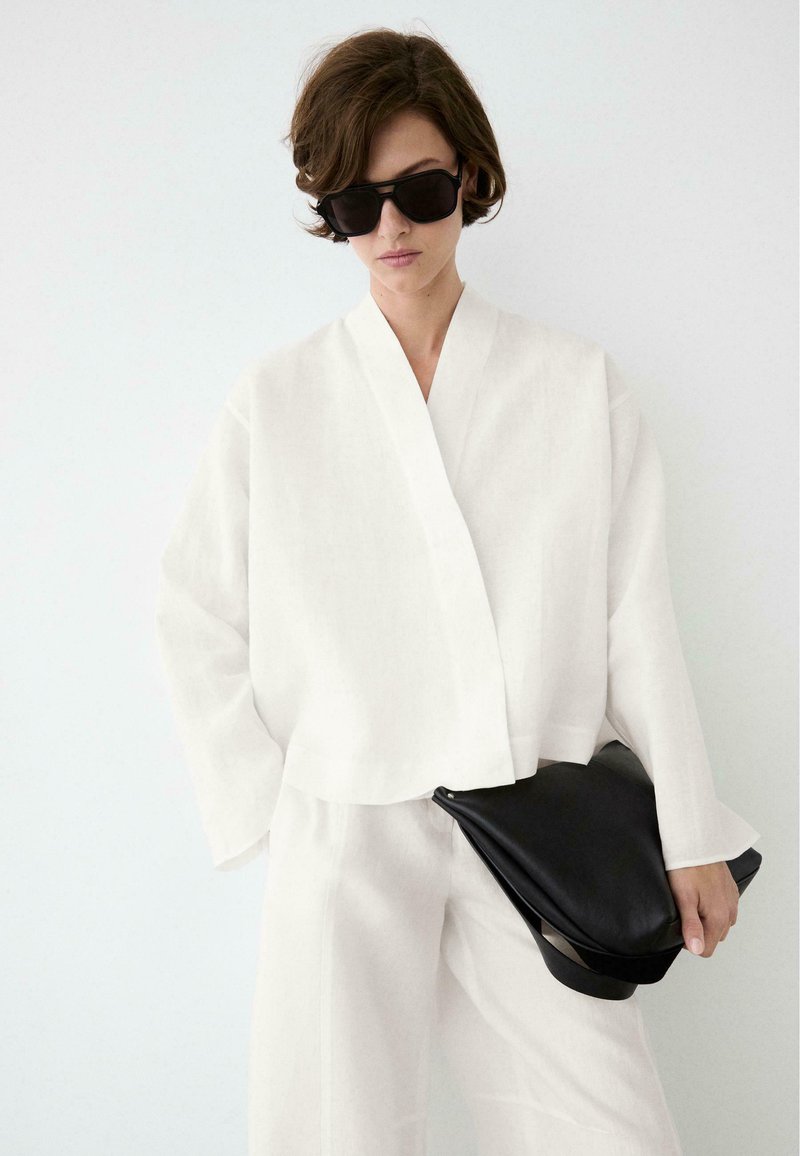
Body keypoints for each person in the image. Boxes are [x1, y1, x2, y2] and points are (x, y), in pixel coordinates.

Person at [154, 27, 761, 1155]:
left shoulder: (574, 385)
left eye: (421, 190)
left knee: (614, 1133)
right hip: (345, 823)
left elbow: (635, 622)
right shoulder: (277, 401)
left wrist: (688, 829)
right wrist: (270, 810)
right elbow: (192, 608)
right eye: (355, 202)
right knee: (330, 1133)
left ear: (470, 180)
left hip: (531, 820)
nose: (391, 227)